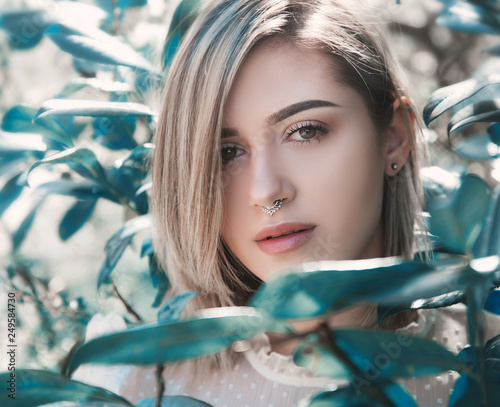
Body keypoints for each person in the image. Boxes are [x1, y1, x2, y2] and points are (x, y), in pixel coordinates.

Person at [72, 0, 500, 406]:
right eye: (226, 153)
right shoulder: (130, 385)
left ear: (394, 138)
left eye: (306, 131)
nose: (266, 192)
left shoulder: (486, 362)